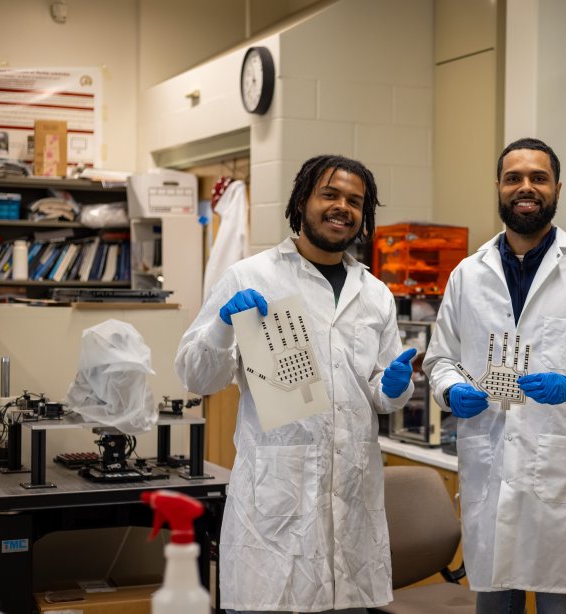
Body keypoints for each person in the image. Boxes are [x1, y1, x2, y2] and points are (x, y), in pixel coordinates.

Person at [175, 154, 416, 614]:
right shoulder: (250, 276)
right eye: (330, 194)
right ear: (302, 201)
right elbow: (196, 376)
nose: (342, 207)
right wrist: (223, 326)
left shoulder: (375, 294)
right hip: (275, 509)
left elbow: (380, 396)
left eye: (354, 201)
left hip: (350, 506)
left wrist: (395, 385)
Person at [422, 137, 566, 614]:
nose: (526, 187)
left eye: (538, 178)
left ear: (557, 188)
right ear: (499, 189)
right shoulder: (468, 274)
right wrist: (451, 389)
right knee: (493, 601)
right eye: (513, 178)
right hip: (490, 472)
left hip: (558, 489)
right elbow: (439, 359)